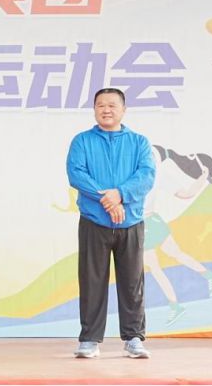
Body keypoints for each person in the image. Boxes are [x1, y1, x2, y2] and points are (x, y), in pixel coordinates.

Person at [66, 88, 155, 359]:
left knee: (132, 282)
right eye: (100, 105)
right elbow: (76, 174)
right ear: (94, 109)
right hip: (94, 220)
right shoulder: (82, 141)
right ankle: (89, 340)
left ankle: (134, 338)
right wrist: (107, 199)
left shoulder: (139, 142)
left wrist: (121, 194)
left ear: (123, 110)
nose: (106, 110)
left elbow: (146, 175)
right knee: (92, 281)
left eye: (112, 105)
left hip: (131, 221)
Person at [143, 146, 212, 327]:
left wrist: (203, 177)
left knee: (158, 266)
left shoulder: (157, 174)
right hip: (150, 221)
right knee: (166, 260)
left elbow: (186, 194)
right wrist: (203, 177)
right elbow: (186, 194)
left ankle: (176, 305)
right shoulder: (150, 173)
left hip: (146, 223)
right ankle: (208, 276)